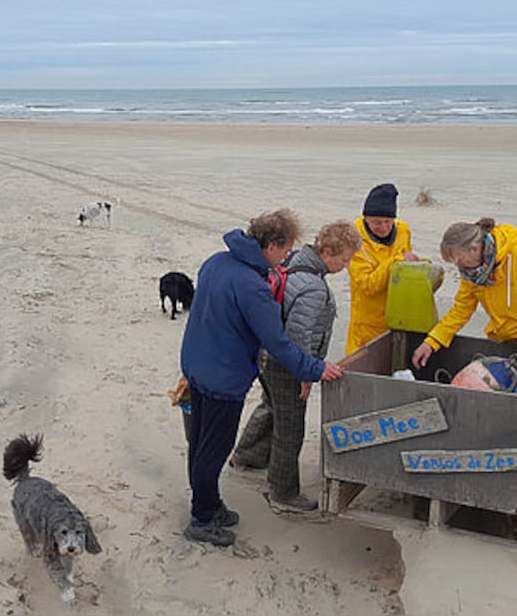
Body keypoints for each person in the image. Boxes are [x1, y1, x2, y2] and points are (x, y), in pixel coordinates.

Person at [179, 209, 345, 546]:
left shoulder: (216, 261)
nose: (287, 258)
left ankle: (210, 505)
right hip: (222, 376)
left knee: (199, 440)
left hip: (196, 363)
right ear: (271, 245)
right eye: (285, 251)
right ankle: (201, 518)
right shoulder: (252, 285)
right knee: (213, 448)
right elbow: (278, 343)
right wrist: (315, 368)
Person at [231, 221, 362, 512]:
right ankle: (283, 492)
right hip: (287, 362)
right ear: (327, 251)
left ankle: (246, 455)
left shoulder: (292, 260)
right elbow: (299, 333)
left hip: (265, 354)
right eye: (345, 259)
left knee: (271, 406)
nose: (347, 265)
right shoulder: (314, 287)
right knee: (290, 426)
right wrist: (306, 372)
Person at [411, 217, 517, 371]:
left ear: (474, 249)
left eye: (460, 260)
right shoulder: (472, 272)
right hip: (504, 344)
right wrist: (432, 341)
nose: (459, 266)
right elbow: (461, 310)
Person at [345, 183, 420, 354]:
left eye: (388, 221)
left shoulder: (403, 230)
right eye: (377, 222)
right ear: (366, 218)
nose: (384, 227)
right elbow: (368, 285)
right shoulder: (354, 239)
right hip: (366, 325)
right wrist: (396, 261)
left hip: (399, 318)